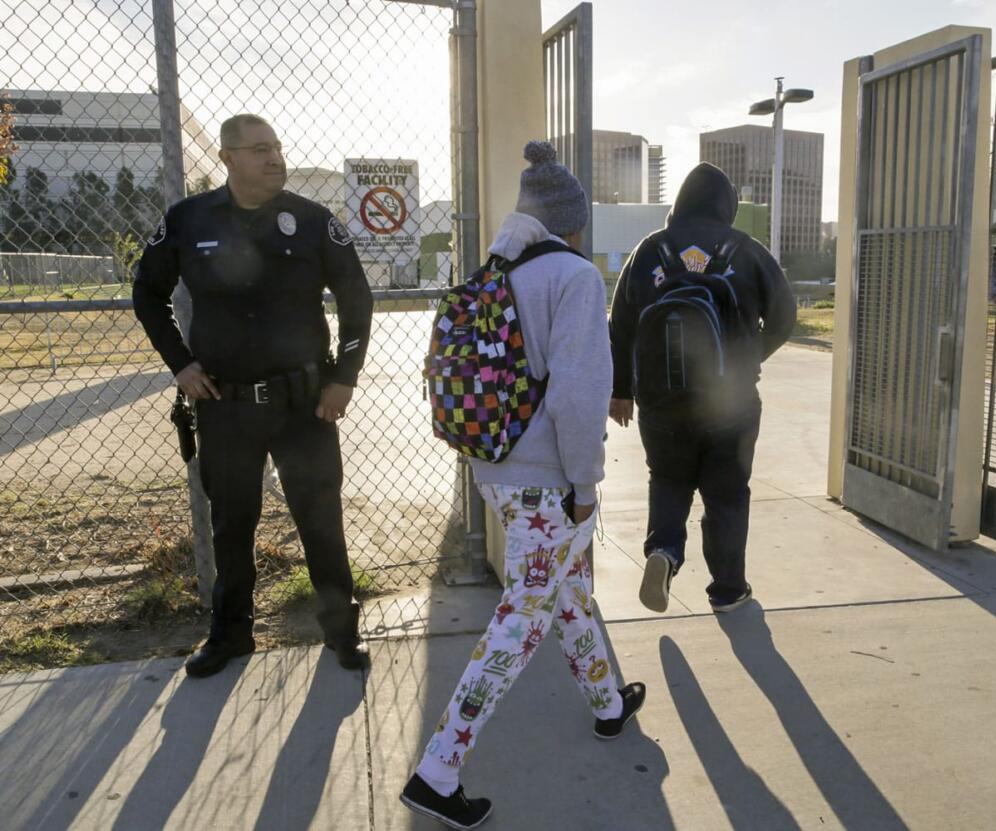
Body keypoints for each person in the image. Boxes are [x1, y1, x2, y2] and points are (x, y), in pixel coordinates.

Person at [400, 141, 645, 830]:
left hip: (496, 470)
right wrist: (586, 483)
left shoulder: (494, 269)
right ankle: (438, 769)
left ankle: (606, 703)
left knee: (565, 591)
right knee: (522, 618)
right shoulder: (573, 276)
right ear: (573, 223)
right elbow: (580, 392)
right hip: (549, 482)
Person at [132, 113, 374, 677]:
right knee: (232, 525)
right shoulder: (188, 220)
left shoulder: (312, 221)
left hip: (305, 405)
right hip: (226, 405)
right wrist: (181, 365)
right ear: (228, 158)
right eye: (260, 149)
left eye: (278, 148)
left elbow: (356, 298)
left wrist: (344, 377)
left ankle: (341, 633)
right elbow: (147, 292)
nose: (274, 158)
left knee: (320, 520)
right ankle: (231, 635)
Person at [608, 162, 796, 614]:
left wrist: (623, 391)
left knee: (669, 480)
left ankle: (663, 554)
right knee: (727, 492)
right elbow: (786, 317)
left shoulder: (649, 250)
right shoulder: (747, 251)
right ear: (725, 205)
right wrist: (749, 357)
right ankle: (728, 590)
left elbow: (621, 326)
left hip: (661, 400)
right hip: (730, 401)